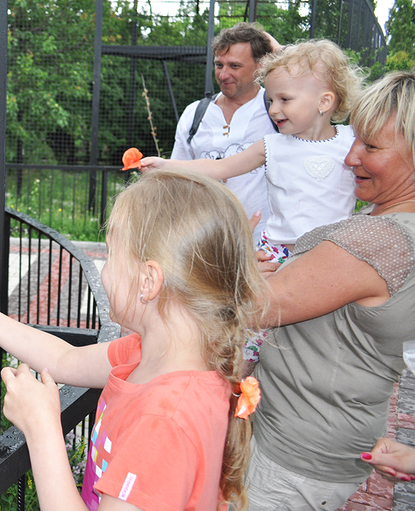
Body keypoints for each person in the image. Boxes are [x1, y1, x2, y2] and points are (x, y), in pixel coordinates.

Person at [0, 171, 265, 510]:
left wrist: (41, 429)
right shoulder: (150, 356)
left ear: (148, 281)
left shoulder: (164, 423)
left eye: (112, 254)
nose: (104, 269)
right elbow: (63, 360)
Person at [243, 71, 415, 509]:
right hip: (337, 439)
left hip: (292, 453)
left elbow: (254, 307)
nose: (350, 157)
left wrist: (230, 258)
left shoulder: (380, 241)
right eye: (355, 139)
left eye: (371, 147)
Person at [143, 39, 363, 368]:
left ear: (325, 101)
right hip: (278, 253)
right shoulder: (272, 145)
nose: (273, 109)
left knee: (318, 333)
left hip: (330, 255)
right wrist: (167, 165)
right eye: (271, 99)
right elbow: (220, 168)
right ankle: (237, 392)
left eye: (284, 99)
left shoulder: (351, 142)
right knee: (251, 338)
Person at [170, 22, 278, 244]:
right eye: (219, 65)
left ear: (261, 65)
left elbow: (316, 74)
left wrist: (278, 50)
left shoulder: (277, 108)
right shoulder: (194, 114)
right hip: (205, 240)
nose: (223, 74)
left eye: (235, 66)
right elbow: (176, 177)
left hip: (265, 241)